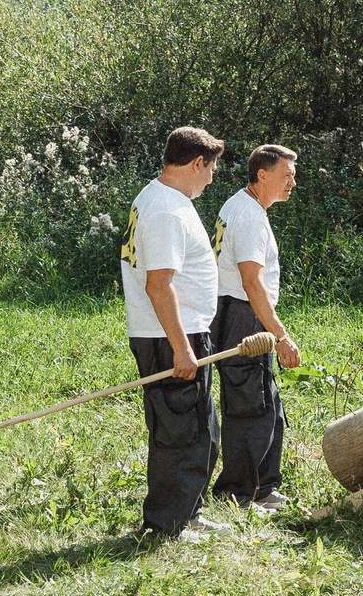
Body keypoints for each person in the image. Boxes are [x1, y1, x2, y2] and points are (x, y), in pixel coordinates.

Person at [120, 126, 226, 541]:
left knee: (199, 426)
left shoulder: (165, 199)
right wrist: (182, 349)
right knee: (179, 432)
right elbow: (158, 285)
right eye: (212, 169)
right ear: (197, 162)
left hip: (181, 333)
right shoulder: (165, 209)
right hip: (170, 338)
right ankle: (166, 525)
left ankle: (188, 511)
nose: (212, 178)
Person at [211, 143, 301, 511]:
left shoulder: (242, 205)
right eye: (286, 175)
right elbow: (252, 282)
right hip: (242, 316)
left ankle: (261, 485)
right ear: (262, 175)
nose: (292, 183)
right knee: (253, 404)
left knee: (263, 402)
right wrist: (281, 335)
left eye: (294, 176)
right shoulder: (247, 216)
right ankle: (243, 491)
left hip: (237, 312)